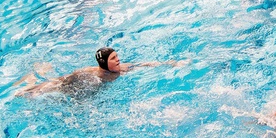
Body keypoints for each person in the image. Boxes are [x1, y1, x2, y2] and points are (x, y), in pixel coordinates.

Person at [15, 47, 182, 98]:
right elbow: (61, 81)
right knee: (55, 88)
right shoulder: (90, 74)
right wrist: (35, 90)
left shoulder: (121, 69)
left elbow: (144, 65)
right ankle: (29, 86)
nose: (118, 60)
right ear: (103, 63)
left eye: (117, 57)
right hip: (80, 86)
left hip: (92, 89)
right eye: (113, 59)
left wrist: (170, 63)